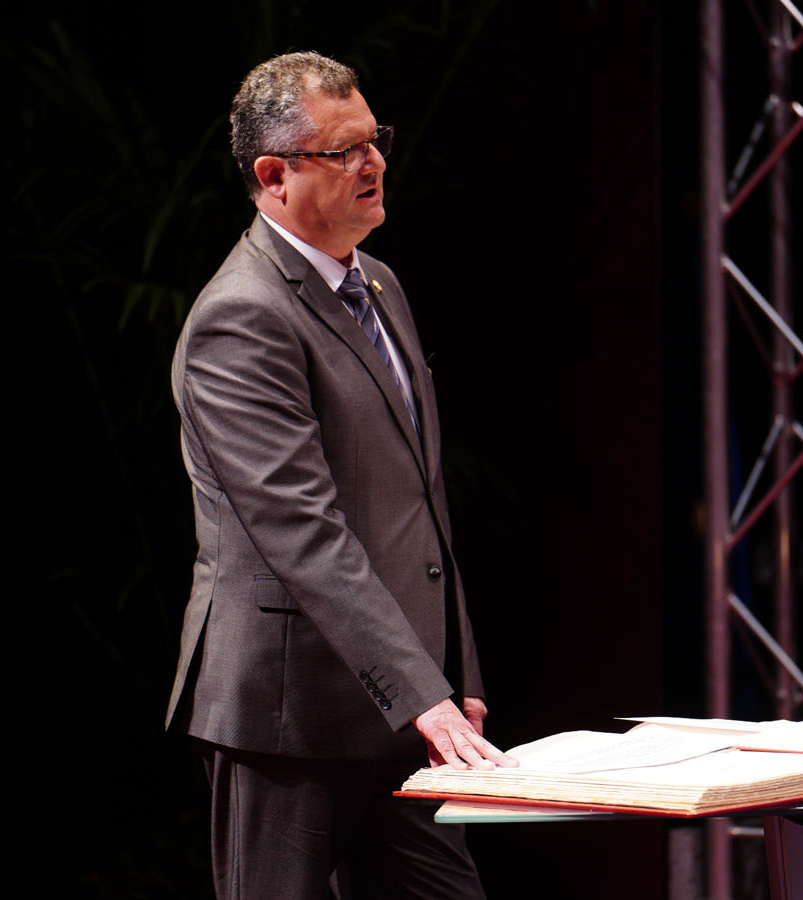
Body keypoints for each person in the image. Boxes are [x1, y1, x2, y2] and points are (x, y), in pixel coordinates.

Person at [165, 51, 515, 899]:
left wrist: (450, 677)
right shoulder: (241, 316)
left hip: (399, 705)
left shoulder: (380, 285)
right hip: (285, 713)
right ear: (274, 175)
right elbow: (304, 529)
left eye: (376, 140)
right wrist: (421, 692)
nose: (375, 163)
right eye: (345, 150)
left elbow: (418, 508)